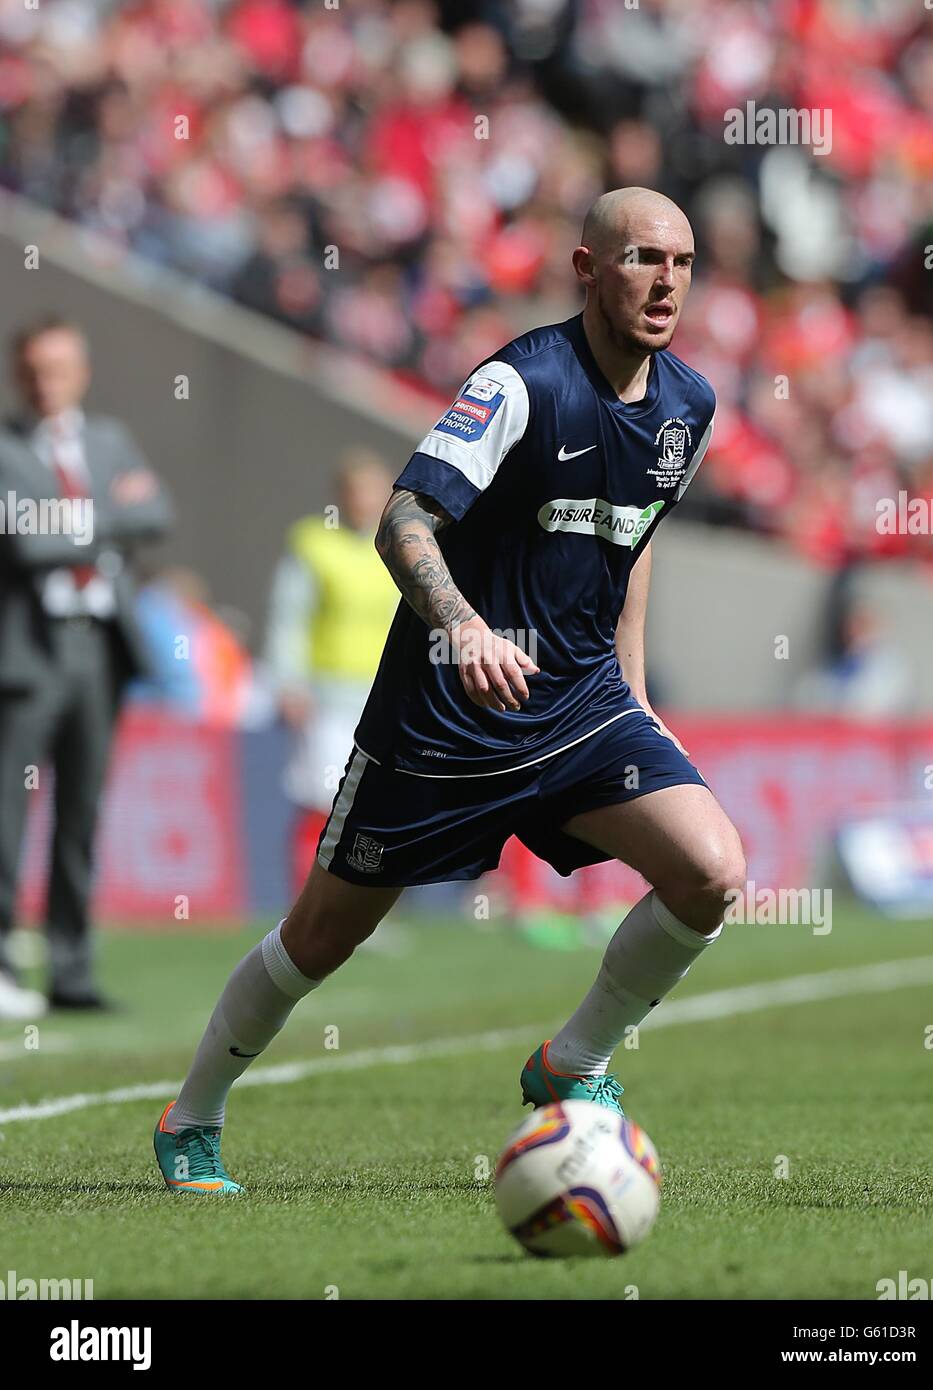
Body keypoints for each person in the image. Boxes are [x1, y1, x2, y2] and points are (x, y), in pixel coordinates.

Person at [153, 187, 746, 1194]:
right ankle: (191, 1114)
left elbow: (635, 538)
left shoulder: (689, 404)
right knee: (322, 936)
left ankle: (574, 1061)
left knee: (712, 871)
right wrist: (464, 626)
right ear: (588, 269)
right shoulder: (522, 382)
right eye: (642, 257)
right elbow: (403, 520)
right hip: (442, 721)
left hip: (582, 705)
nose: (665, 280)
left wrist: (635, 691)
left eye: (681, 261)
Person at [0, 316, 173, 1018]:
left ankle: (70, 969)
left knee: (82, 812)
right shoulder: (8, 447)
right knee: (8, 810)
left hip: (99, 644)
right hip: (28, 649)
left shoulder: (109, 440)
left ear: (83, 371)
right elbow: (22, 540)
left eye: (60, 368)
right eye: (36, 369)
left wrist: (66, 519)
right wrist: (104, 518)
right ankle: (4, 964)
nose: (48, 383)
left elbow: (157, 513)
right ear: (19, 373)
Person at [262, 452, 398, 893]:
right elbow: (288, 618)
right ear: (340, 496)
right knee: (321, 801)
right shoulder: (313, 545)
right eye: (356, 492)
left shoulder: (403, 545)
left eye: (375, 492)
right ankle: (304, 910)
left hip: (385, 695)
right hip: (326, 698)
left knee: (378, 805)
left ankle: (359, 908)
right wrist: (288, 682)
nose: (365, 501)